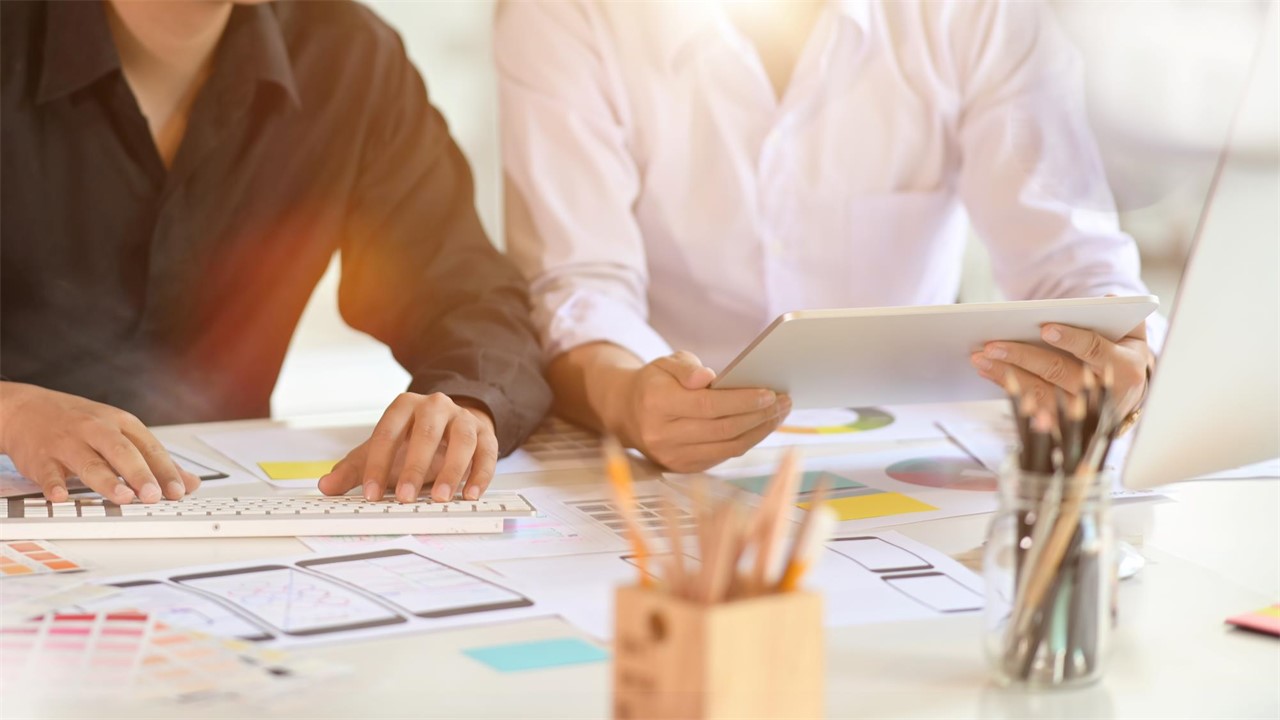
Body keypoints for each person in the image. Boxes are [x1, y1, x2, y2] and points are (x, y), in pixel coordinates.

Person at [496, 0, 1158, 473]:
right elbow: (578, 287)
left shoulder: (980, 13)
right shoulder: (563, 13)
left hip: (908, 454)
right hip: (665, 463)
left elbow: (1071, 260)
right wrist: (629, 398)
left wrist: (1114, 356)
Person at [0, 0, 551, 505]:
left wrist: (464, 407)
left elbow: (465, 294)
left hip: (211, 521)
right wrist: (12, 413)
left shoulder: (344, 55)